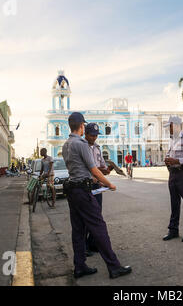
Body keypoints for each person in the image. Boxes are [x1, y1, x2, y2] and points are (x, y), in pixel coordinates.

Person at [62, 112, 131, 279]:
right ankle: (114, 267)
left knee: (78, 230)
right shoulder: (81, 143)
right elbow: (93, 169)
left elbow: (80, 169)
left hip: (72, 190)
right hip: (83, 191)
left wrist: (96, 180)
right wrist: (109, 184)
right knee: (99, 227)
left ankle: (79, 266)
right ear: (81, 126)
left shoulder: (66, 144)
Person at [83, 123, 114, 256]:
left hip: (96, 186)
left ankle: (92, 244)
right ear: (86, 134)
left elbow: (100, 165)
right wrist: (101, 173)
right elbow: (89, 168)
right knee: (86, 217)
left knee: (97, 215)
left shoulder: (97, 148)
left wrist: (106, 170)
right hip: (86, 186)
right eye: (92, 135)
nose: (94, 138)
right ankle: (84, 246)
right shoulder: (82, 147)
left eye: (96, 135)